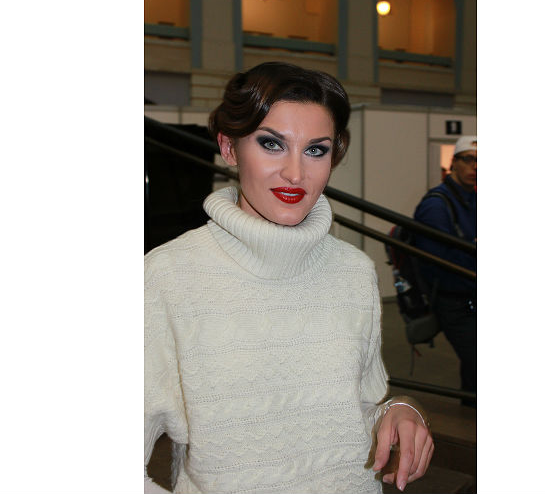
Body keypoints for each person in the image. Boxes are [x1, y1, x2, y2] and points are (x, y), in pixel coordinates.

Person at [144, 61, 434, 494]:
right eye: (271, 144)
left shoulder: (354, 271)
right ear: (228, 147)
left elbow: (356, 410)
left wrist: (402, 409)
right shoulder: (167, 276)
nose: (295, 174)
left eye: (315, 150)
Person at [413, 136, 477, 407]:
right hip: (453, 300)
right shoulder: (437, 205)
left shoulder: (473, 199)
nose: (475, 167)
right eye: (469, 160)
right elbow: (437, 260)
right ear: (454, 163)